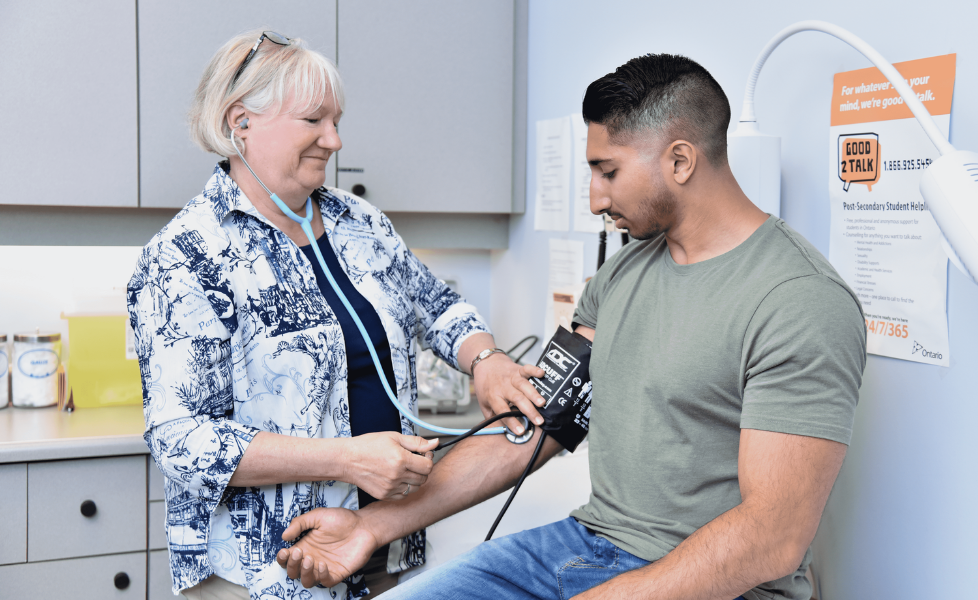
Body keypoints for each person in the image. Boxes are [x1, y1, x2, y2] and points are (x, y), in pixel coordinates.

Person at [274, 53, 867, 600]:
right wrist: (373, 526)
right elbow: (535, 425)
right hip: (585, 547)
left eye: (607, 171)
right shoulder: (620, 277)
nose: (593, 198)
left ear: (680, 160)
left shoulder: (799, 302)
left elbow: (773, 537)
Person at [127, 30, 545, 600]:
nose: (335, 139)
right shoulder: (185, 256)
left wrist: (486, 359)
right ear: (239, 122)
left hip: (386, 543)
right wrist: (349, 460)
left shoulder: (359, 222)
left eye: (337, 120)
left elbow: (438, 306)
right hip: (268, 572)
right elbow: (181, 439)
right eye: (314, 121)